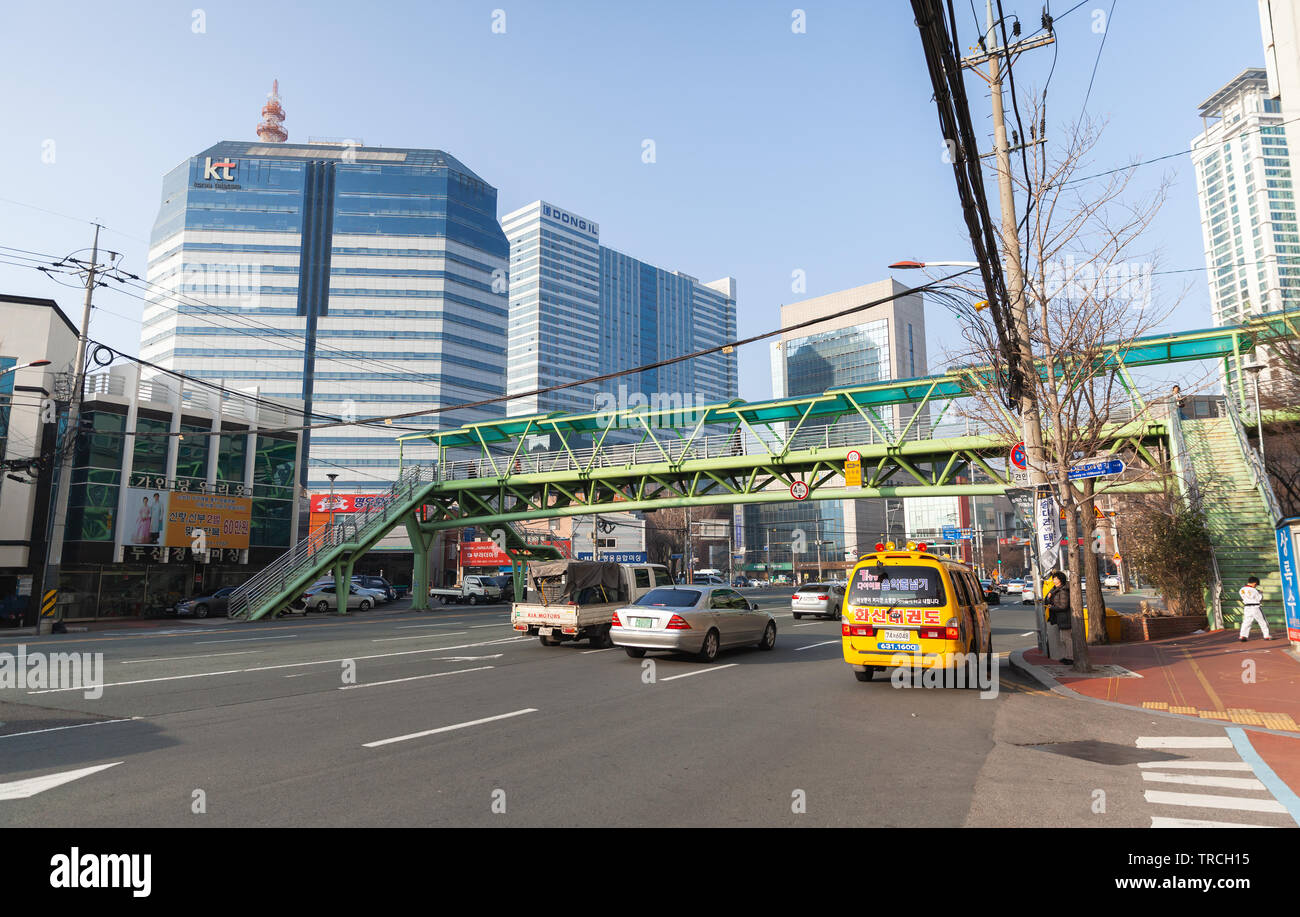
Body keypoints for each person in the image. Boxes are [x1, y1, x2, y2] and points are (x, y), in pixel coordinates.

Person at [1044, 570, 1073, 664]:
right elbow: (1048, 600)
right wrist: (1048, 597)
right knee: (1063, 639)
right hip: (1059, 617)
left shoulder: (1063, 591)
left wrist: (1052, 607)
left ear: (1061, 579)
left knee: (1067, 639)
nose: (1054, 580)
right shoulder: (1055, 589)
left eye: (1056, 579)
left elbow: (1064, 606)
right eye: (1053, 579)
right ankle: (1066, 656)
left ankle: (1070, 657)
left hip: (1065, 617)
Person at [1238, 576, 1270, 641]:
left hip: (1247, 607)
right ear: (1254, 583)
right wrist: (1260, 593)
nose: (1256, 586)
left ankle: (1243, 636)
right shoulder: (1254, 590)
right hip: (1255, 607)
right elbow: (1259, 599)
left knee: (1246, 622)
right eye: (1256, 585)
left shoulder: (1241, 590)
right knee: (1262, 621)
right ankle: (1266, 636)